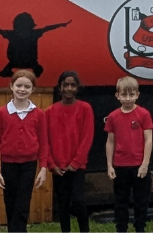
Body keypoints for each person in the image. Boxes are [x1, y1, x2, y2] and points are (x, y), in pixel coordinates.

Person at [0, 69, 49, 232]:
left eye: (27, 86)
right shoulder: (2, 113)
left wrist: (43, 167)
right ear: (11, 86)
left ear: (32, 89)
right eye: (19, 85)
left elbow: (44, 142)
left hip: (29, 165)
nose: (22, 89)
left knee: (22, 206)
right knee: (10, 205)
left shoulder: (38, 114)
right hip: (8, 164)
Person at [45, 70, 94, 232]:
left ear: (77, 87)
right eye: (66, 85)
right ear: (60, 87)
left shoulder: (85, 108)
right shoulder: (49, 112)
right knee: (63, 204)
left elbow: (87, 138)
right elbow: (45, 141)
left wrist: (75, 163)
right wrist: (52, 165)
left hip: (77, 167)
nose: (69, 88)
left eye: (73, 85)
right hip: (58, 168)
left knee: (79, 200)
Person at [105, 76, 153, 233]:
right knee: (121, 202)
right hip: (120, 165)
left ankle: (140, 228)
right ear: (117, 96)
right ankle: (121, 229)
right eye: (124, 95)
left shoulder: (143, 114)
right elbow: (110, 141)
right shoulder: (112, 117)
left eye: (131, 95)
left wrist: (145, 163)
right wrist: (110, 165)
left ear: (137, 95)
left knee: (141, 201)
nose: (128, 99)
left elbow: (148, 140)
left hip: (139, 166)